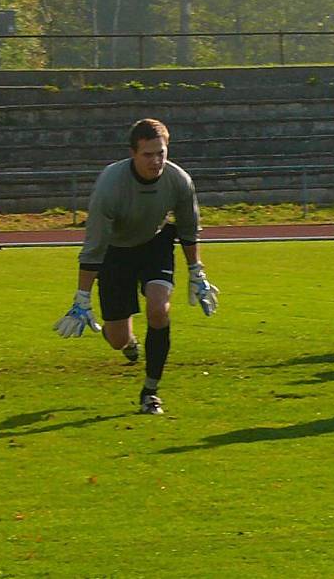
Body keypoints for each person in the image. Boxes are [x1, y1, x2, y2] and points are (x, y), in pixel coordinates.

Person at [53, 118, 219, 415]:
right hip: (115, 254)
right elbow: (94, 246)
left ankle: (150, 391)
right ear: (132, 153)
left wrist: (197, 272)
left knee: (159, 308)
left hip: (155, 244)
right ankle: (127, 341)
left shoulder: (179, 180)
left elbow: (189, 229)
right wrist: (81, 298)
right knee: (117, 340)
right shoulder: (110, 185)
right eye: (148, 154)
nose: (156, 161)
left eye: (161, 153)